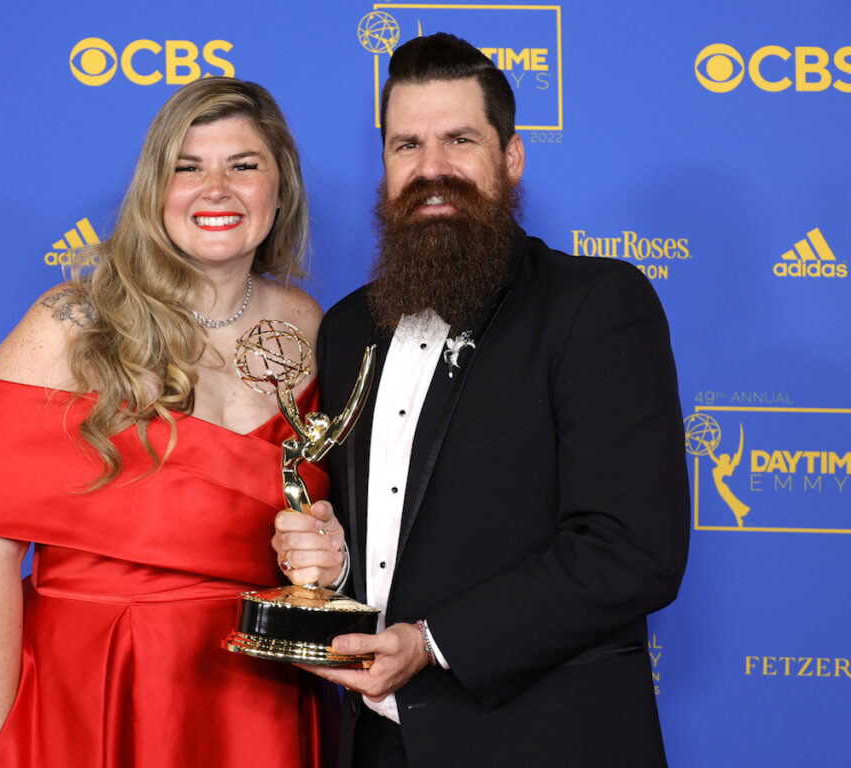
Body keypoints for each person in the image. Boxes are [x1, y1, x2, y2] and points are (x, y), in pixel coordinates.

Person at [272, 33, 690, 767]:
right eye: (406, 146)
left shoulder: (596, 305)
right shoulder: (344, 329)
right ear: (385, 165)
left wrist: (432, 643)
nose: (432, 170)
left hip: (546, 743)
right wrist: (328, 567)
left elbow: (633, 549)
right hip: (373, 744)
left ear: (512, 155)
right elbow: (382, 541)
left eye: (458, 139)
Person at [0, 77, 339, 767]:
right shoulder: (68, 325)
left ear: (280, 191)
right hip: (93, 689)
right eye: (187, 167)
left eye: (243, 166)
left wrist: (326, 550)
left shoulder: (310, 329)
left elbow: (320, 521)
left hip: (257, 697)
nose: (215, 188)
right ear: (154, 189)